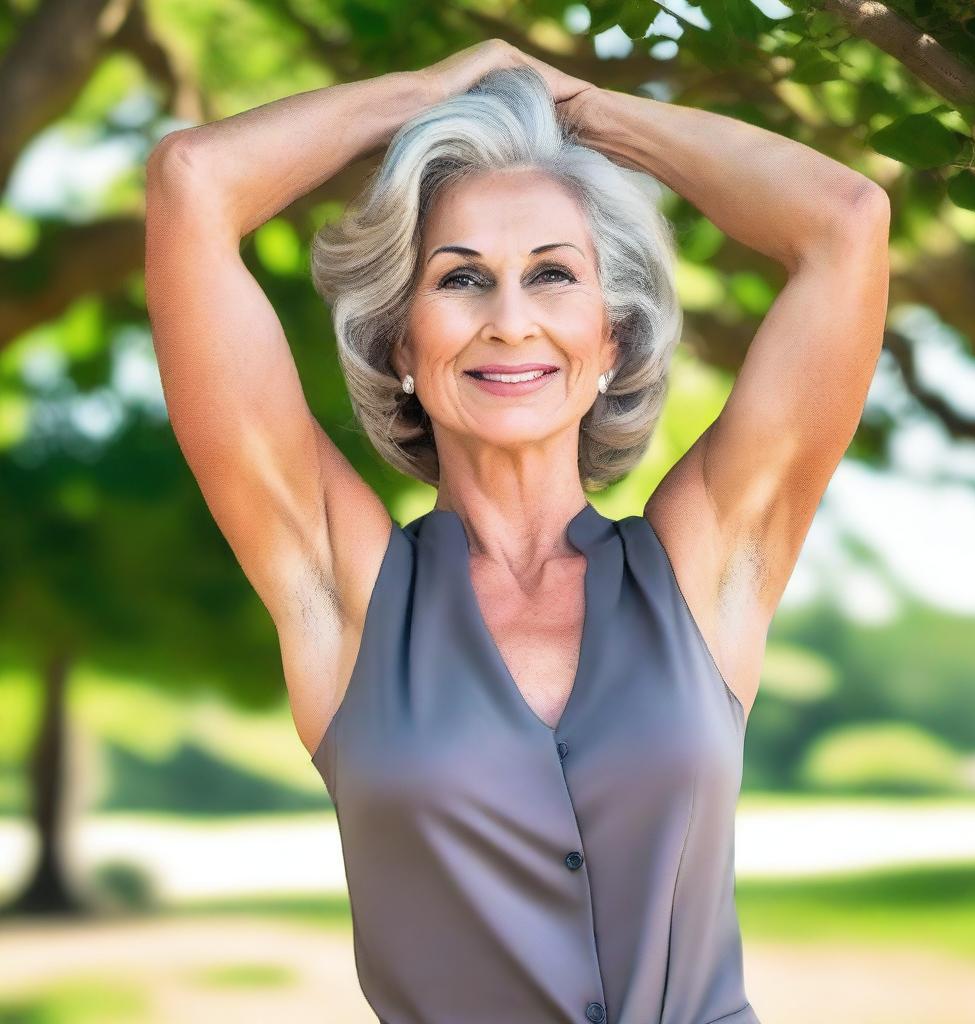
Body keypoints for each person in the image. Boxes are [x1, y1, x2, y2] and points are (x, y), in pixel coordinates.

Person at [144, 38, 890, 1024]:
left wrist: (585, 107)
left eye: (551, 275)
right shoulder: (350, 592)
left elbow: (846, 221)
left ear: (609, 339)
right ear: (403, 342)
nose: (508, 320)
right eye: (459, 279)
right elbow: (192, 184)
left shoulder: (698, 572)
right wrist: (424, 92)